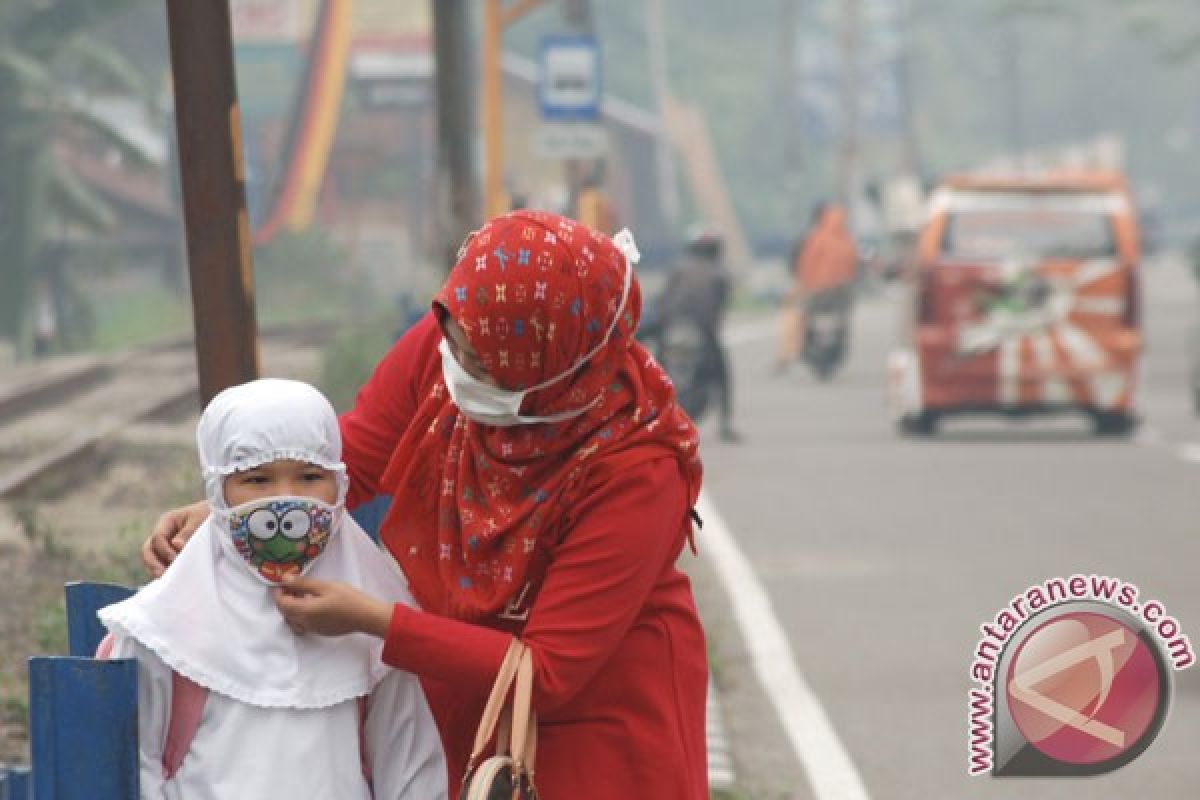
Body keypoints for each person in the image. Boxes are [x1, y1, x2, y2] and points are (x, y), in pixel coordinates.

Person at [143, 211, 710, 799]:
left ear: (553, 367)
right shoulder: (454, 340)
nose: (459, 370)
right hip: (457, 675)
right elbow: (353, 460)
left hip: (598, 724)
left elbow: (547, 673)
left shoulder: (636, 470)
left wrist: (374, 620)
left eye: (486, 366)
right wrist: (229, 508)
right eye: (455, 343)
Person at [103, 378, 447, 800]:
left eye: (309, 476)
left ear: (339, 486)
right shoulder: (161, 631)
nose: (287, 500)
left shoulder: (372, 623)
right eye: (257, 480)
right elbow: (135, 770)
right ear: (218, 492)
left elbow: (412, 771)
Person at [659, 223, 740, 441]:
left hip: (671, 328)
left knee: (650, 368)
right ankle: (726, 423)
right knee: (723, 374)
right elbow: (719, 309)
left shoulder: (677, 268)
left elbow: (664, 301)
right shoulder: (721, 274)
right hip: (702, 332)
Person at [776, 202, 859, 371]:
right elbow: (854, 267)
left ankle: (788, 355)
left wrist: (803, 286)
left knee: (798, 315)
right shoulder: (846, 239)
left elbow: (805, 265)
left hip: (817, 291)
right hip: (841, 294)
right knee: (843, 318)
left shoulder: (815, 238)